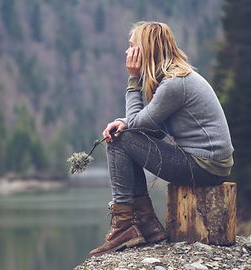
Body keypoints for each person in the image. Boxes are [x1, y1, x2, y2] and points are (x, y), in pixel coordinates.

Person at [89, 21, 234, 256]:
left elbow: (136, 125)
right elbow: (147, 125)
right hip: (208, 163)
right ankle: (147, 224)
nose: (127, 52)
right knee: (123, 133)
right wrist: (126, 122)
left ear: (145, 50)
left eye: (132, 46)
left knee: (118, 139)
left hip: (205, 166)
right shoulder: (176, 78)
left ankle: (125, 225)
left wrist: (133, 80)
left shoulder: (175, 84)